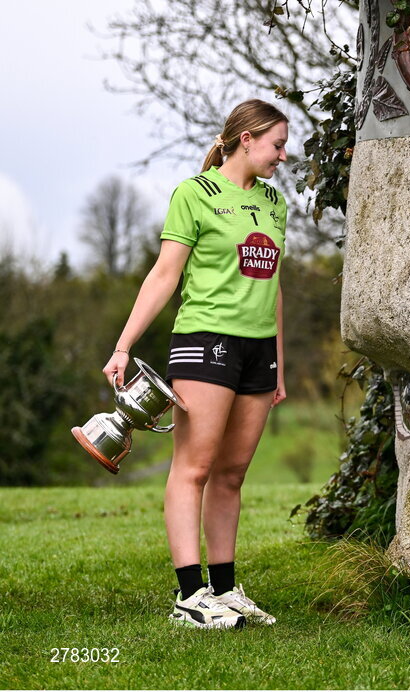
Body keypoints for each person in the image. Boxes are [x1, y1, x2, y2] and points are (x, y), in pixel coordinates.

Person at [103, 99, 289, 629]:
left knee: (231, 474)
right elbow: (164, 275)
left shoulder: (275, 203)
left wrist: (279, 363)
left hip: (258, 352)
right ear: (246, 138)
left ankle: (225, 591)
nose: (282, 154)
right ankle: (190, 595)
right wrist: (123, 346)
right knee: (195, 468)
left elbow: (272, 285)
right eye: (276, 143)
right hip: (206, 341)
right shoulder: (195, 193)